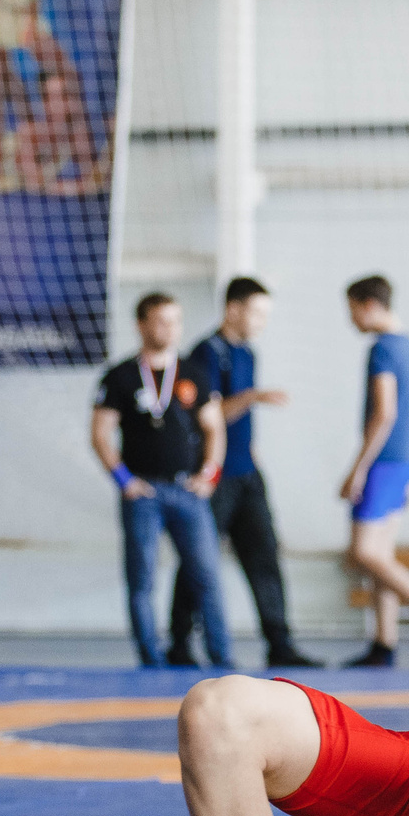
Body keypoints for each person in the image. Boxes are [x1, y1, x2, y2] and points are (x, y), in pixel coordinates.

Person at [171, 278, 317, 671]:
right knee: (199, 559)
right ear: (233, 309)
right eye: (257, 313)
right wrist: (252, 397)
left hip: (247, 473)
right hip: (216, 476)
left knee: (264, 554)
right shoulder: (206, 353)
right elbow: (208, 415)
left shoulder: (248, 353)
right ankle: (179, 642)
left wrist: (253, 455)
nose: (262, 322)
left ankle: (280, 643)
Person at [92, 292, 232, 670]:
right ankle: (151, 660)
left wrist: (210, 474)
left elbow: (215, 428)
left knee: (206, 574)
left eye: (175, 321)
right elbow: (101, 434)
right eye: (161, 321)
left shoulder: (194, 373)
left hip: (187, 490)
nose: (170, 329)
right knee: (142, 579)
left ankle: (223, 658)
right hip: (143, 492)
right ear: (141, 325)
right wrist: (123, 480)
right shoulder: (120, 376)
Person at [339, 276, 409, 669]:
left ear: (369, 305)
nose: (351, 319)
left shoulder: (383, 349)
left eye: (352, 310)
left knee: (363, 551)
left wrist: (358, 468)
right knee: (381, 556)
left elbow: (385, 412)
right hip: (406, 458)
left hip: (385, 459)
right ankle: (383, 644)